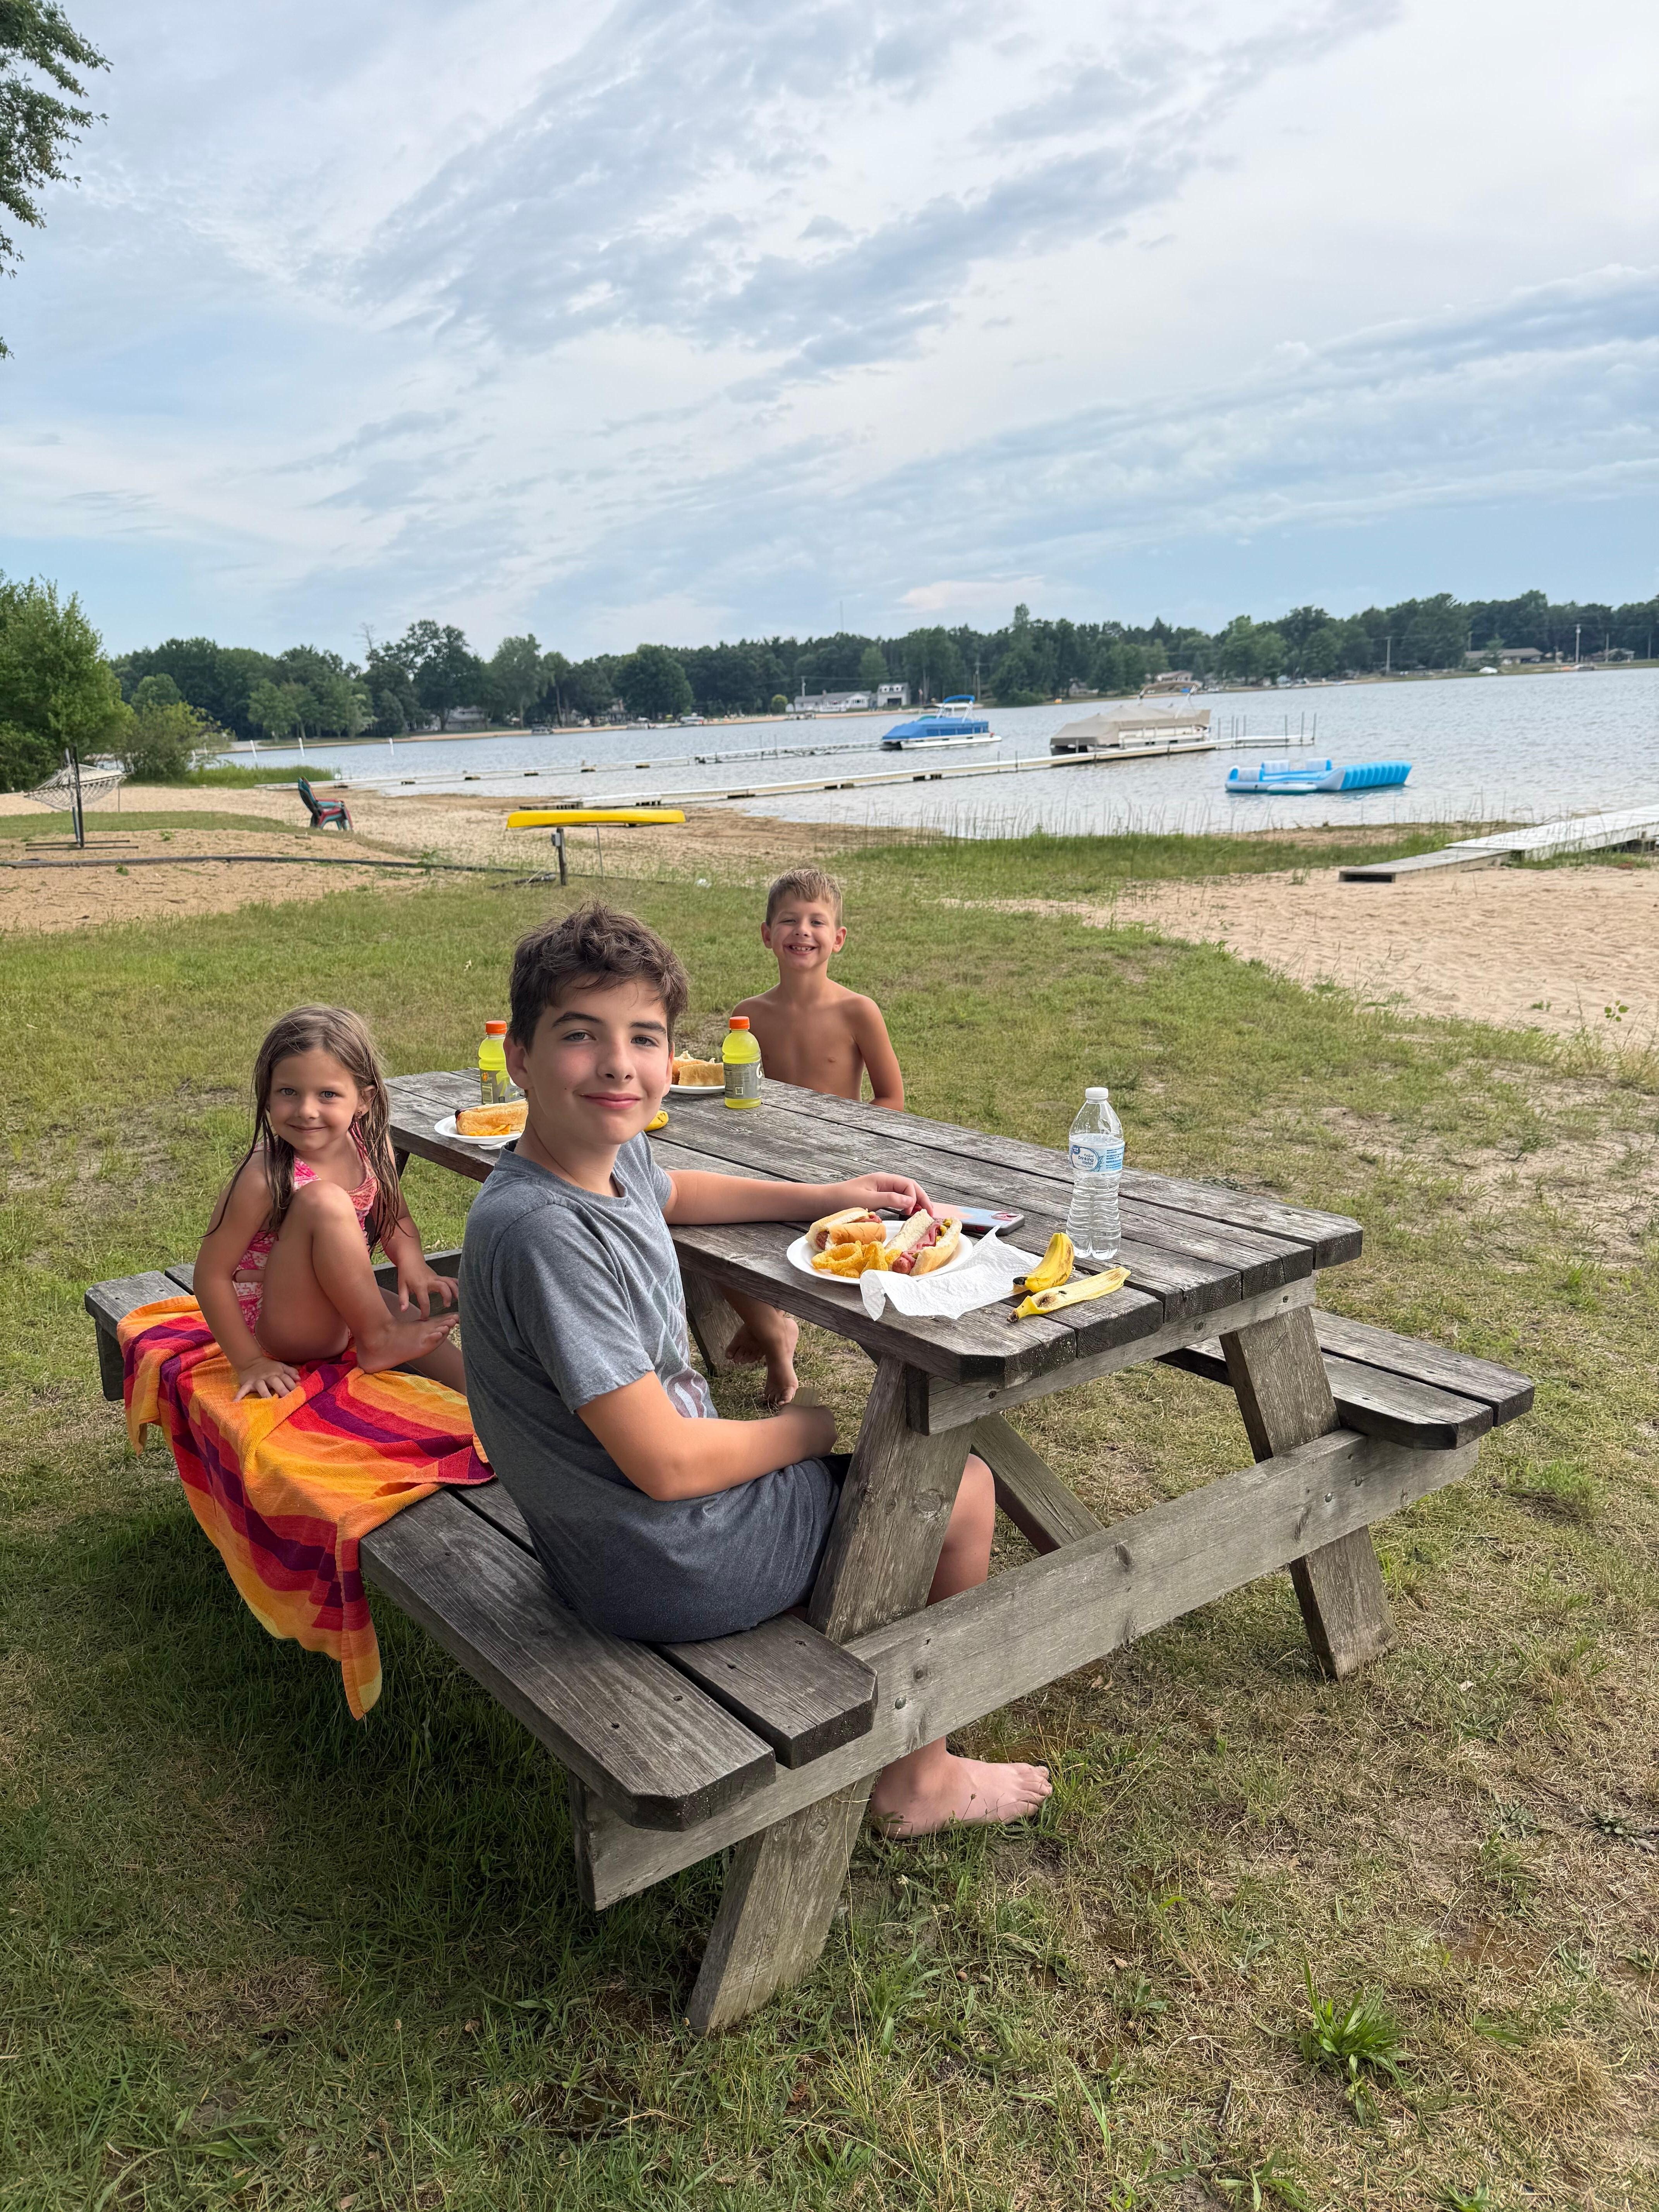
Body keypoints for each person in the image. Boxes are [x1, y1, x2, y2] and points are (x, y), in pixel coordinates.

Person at [460, 904, 1050, 1837]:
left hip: (599, 1544)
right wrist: (804, 1432)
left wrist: (825, 1196)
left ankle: (839, 1630)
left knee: (885, 1486)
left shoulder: (597, 1155)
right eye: (580, 1035)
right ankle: (920, 1776)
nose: (618, 1064)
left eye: (643, 1037)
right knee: (961, 1491)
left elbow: (672, 1193)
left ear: (669, 1057)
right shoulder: (545, 1235)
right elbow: (668, 1465)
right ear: (520, 1059)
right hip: (663, 1558)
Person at [196, 1006, 464, 1403]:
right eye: (288, 1092)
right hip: (282, 1327)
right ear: (267, 1095)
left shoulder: (370, 1148)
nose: (307, 1110)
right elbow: (211, 1276)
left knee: (446, 1354)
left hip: (346, 1305)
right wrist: (250, 1362)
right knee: (324, 1199)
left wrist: (413, 1263)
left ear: (363, 1100)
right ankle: (379, 1338)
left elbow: (396, 1218)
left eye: (328, 1094)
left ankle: (496, 1414)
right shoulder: (263, 1176)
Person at [721, 866, 903, 1405]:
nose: (802, 931)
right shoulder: (748, 1017)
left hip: (839, 1167)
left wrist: (847, 1146)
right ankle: (775, 1333)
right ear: (767, 934)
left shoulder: (858, 1011)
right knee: (703, 1232)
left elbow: (891, 1098)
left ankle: (766, 1324)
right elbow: (740, 1096)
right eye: (789, 921)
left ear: (838, 938)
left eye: (817, 922)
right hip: (765, 1160)